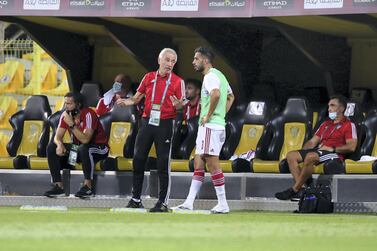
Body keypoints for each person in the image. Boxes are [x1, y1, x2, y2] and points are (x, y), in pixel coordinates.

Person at [116, 48, 185, 212]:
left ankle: (163, 203)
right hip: (147, 122)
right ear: (159, 60)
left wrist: (179, 106)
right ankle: (135, 199)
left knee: (163, 163)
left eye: (173, 61)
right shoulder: (148, 77)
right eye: (167, 60)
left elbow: (181, 104)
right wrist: (127, 102)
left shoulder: (177, 81)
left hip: (166, 123)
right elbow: (136, 98)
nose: (169, 64)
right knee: (138, 159)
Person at [172, 47, 235, 214]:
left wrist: (209, 116)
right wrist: (222, 115)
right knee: (199, 164)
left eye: (196, 59)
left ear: (205, 61)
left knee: (212, 163)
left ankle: (223, 203)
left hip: (210, 126)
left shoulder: (209, 77)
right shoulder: (220, 75)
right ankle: (189, 202)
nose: (193, 62)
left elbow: (215, 95)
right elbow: (230, 96)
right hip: (214, 125)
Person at [275, 94, 358, 200]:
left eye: (332, 106)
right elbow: (312, 142)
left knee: (310, 156)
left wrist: (332, 148)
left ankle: (294, 190)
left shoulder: (349, 125)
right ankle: (303, 190)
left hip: (334, 154)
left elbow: (352, 146)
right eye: (328, 106)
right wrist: (302, 153)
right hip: (319, 151)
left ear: (341, 108)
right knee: (291, 155)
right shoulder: (325, 124)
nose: (329, 109)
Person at [44, 92, 109, 199]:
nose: (66, 106)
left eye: (69, 104)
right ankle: (58, 186)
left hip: (100, 149)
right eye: (65, 103)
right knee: (52, 147)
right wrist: (59, 144)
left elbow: (86, 140)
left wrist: (72, 125)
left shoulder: (88, 114)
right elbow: (57, 137)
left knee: (85, 148)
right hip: (78, 149)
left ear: (78, 105)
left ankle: (88, 187)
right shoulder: (66, 115)